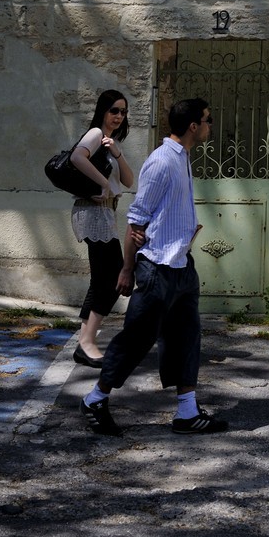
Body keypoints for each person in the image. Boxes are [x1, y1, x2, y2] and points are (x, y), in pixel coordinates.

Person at [80, 96, 228, 437]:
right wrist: (128, 269)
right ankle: (95, 399)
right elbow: (137, 220)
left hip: (181, 267)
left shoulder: (183, 158)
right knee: (137, 338)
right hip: (157, 268)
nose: (210, 125)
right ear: (193, 126)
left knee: (186, 338)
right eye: (207, 120)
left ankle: (187, 412)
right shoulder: (162, 161)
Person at [68, 90, 135, 366]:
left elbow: (130, 181)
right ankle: (87, 342)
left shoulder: (110, 142)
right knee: (112, 279)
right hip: (93, 212)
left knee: (102, 278)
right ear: (103, 111)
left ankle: (85, 341)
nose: (119, 116)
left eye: (123, 112)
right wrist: (104, 183)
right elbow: (76, 158)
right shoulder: (95, 133)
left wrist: (117, 153)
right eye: (114, 110)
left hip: (104, 214)